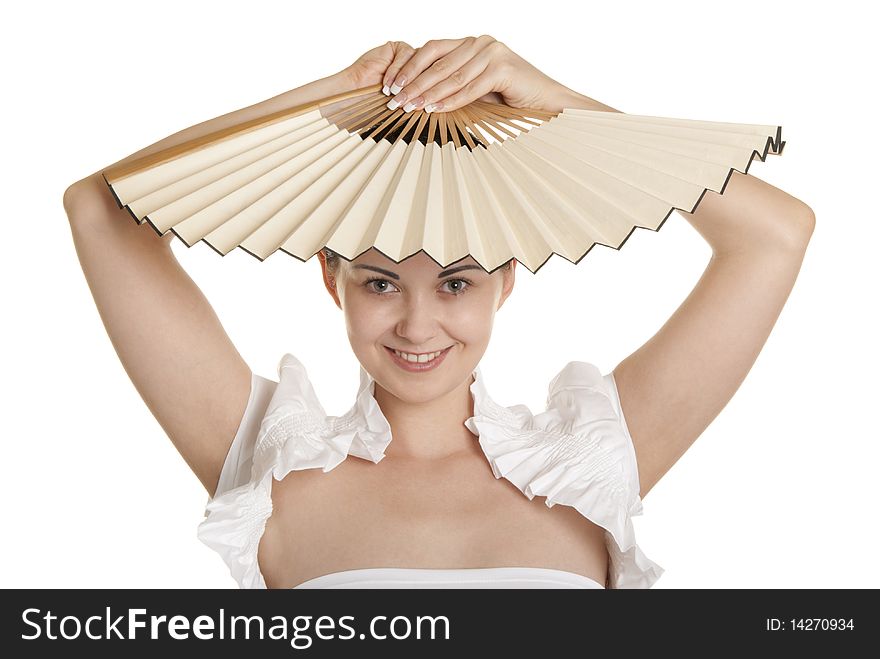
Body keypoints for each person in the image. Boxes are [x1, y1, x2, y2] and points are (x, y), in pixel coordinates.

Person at [62, 36, 815, 589]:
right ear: (333, 280)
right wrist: (334, 96)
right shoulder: (271, 460)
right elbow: (100, 209)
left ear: (506, 281)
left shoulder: (586, 462)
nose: (418, 327)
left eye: (455, 283)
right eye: (381, 284)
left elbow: (777, 236)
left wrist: (555, 103)